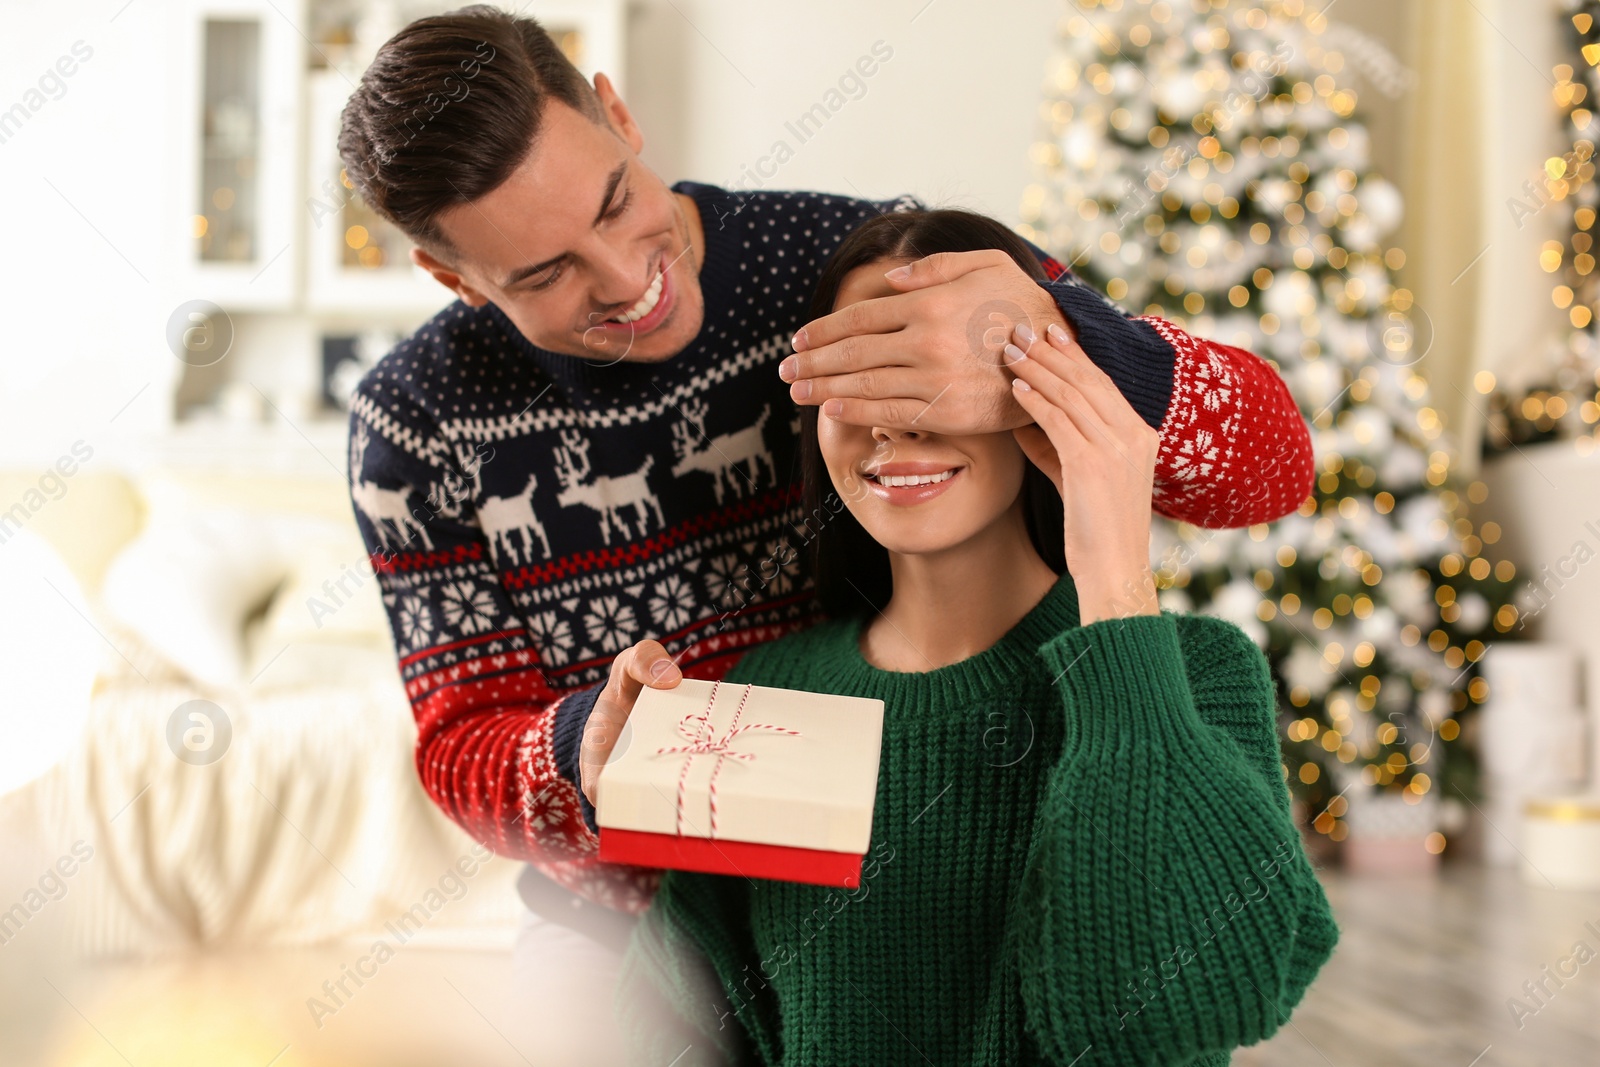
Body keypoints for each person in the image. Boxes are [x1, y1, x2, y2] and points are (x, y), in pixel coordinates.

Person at [336, 2, 1315, 1002]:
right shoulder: (416, 424)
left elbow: (1271, 470)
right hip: (638, 916)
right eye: (544, 273)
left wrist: (1073, 344)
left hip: (934, 844)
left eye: (614, 202)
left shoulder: (864, 265)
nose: (628, 280)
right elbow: (461, 746)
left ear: (616, 113)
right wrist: (583, 750)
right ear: (450, 276)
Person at [611, 208, 1338, 1067]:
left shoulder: (1196, 672)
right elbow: (662, 1033)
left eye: (925, 368)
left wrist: (1115, 579)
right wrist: (633, 780)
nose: (894, 419)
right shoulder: (764, 697)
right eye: (860, 370)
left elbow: (1158, 1020)